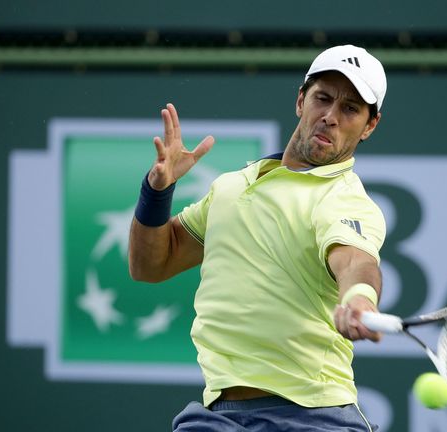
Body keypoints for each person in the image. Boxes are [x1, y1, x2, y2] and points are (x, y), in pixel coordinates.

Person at [128, 44, 388, 431]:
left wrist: (358, 297)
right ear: (301, 101)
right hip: (218, 416)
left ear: (369, 126)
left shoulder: (343, 199)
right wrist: (157, 191)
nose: (331, 117)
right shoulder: (232, 187)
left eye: (350, 109)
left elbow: (355, 261)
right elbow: (150, 265)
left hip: (314, 418)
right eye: (323, 98)